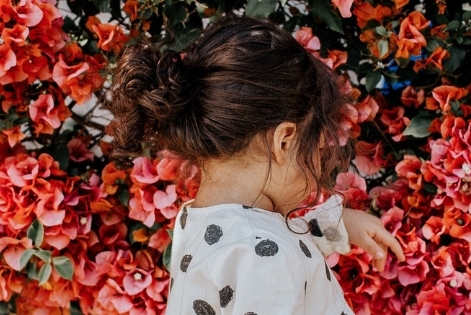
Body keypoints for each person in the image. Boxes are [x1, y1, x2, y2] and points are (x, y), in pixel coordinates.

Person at [106, 14, 405, 315]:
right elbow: (267, 253)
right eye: (319, 147)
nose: (321, 162)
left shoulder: (199, 223)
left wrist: (338, 226)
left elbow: (266, 244)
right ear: (284, 141)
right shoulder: (266, 261)